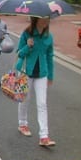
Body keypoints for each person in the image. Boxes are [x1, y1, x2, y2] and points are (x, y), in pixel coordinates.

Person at [16, 16, 55, 147]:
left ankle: (44, 136)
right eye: (43, 19)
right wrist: (28, 46)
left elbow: (50, 56)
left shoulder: (48, 37)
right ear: (36, 20)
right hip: (26, 71)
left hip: (42, 73)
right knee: (25, 99)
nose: (45, 22)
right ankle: (22, 123)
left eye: (47, 19)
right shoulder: (27, 33)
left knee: (42, 103)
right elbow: (19, 53)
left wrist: (50, 75)